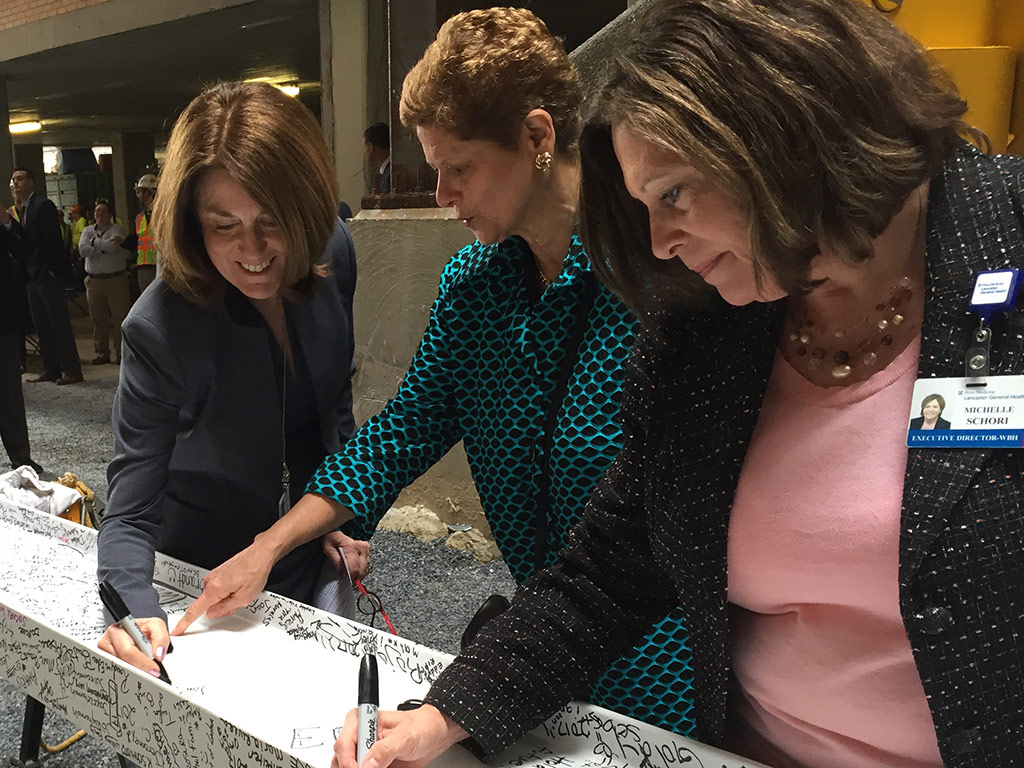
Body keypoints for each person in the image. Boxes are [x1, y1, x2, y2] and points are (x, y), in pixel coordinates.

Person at [330, 1, 1024, 767]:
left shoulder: (1002, 234)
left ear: (779, 139)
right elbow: (611, 563)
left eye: (675, 196)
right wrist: (448, 710)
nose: (661, 241)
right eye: (642, 206)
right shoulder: (712, 317)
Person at [172, 8, 697, 737]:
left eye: (459, 167)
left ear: (538, 137)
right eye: (433, 166)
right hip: (537, 650)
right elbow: (399, 434)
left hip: (665, 661)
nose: (442, 192)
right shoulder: (474, 286)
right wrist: (269, 547)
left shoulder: (661, 274)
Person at [96, 81, 367, 682]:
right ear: (193, 224)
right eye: (224, 226)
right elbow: (126, 514)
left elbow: (332, 410)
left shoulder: (334, 253)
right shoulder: (158, 327)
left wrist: (341, 516)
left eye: (273, 221)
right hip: (195, 574)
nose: (253, 251)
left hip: (294, 545)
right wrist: (137, 613)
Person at [2, 169, 83, 385]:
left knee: (58, 324)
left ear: (31, 182)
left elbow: (53, 242)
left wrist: (52, 270)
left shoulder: (42, 205)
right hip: (31, 277)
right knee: (42, 326)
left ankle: (72, 369)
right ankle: (52, 367)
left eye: (19, 179)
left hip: (46, 274)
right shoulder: (22, 208)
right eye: (13, 180)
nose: (15, 183)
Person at [0, 209, 43, 472]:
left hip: (3, 323)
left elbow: (26, 247)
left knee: (9, 392)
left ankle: (20, 456)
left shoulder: (5, 224)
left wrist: (6, 222)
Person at [78, 198, 130, 365]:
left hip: (115, 279)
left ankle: (121, 352)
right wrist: (101, 246)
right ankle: (102, 352)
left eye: (103, 211)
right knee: (97, 318)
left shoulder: (117, 229)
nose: (99, 214)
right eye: (97, 211)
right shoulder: (86, 231)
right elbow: (82, 250)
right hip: (94, 282)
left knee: (119, 317)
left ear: (109, 214)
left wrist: (94, 243)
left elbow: (113, 247)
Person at [123, 173, 159, 295]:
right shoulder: (140, 218)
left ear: (148, 192)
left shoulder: (163, 215)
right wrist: (123, 241)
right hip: (143, 267)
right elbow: (139, 240)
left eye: (139, 192)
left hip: (159, 267)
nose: (138, 197)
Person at [363, 122, 391, 194]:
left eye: (365, 147)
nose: (364, 152)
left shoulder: (389, 176)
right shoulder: (387, 172)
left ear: (371, 147)